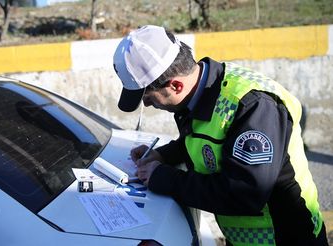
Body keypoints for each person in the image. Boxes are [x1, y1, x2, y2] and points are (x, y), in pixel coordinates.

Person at [112, 25, 328, 246]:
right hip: (244, 239)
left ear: (175, 86)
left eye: (148, 97)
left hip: (285, 238)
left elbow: (244, 193)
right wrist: (163, 155)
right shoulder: (201, 90)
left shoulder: (253, 107)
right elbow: (206, 140)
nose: (147, 104)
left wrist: (164, 177)